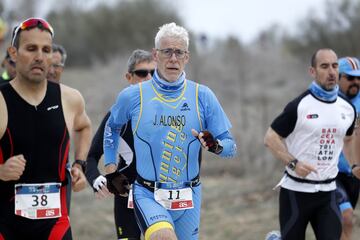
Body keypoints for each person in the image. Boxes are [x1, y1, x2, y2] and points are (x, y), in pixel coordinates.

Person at [104, 22, 237, 240]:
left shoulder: (202, 96)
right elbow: (111, 127)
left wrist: (216, 145)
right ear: (156, 55)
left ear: (187, 57)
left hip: (189, 196)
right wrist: (111, 170)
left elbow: (231, 147)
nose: (173, 58)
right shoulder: (132, 96)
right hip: (147, 194)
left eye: (179, 52)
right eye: (167, 52)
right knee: (164, 237)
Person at [0, 17, 91, 239]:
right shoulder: (1, 101)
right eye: (31, 48)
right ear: (13, 53)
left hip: (55, 225)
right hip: (6, 226)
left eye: (46, 50)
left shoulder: (71, 99)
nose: (39, 57)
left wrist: (80, 164)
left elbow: (84, 126)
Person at [264, 48, 360, 240]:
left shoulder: (347, 109)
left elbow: (348, 138)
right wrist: (293, 163)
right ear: (313, 72)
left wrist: (354, 165)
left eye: (334, 66)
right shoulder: (299, 106)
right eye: (324, 66)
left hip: (328, 192)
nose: (331, 72)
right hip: (296, 193)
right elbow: (270, 138)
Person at [86, 49, 155, 240]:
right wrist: (97, 180)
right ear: (129, 77)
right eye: (142, 73)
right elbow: (91, 157)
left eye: (154, 73)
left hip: (161, 197)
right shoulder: (116, 115)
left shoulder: (170, 113)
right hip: (127, 197)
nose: (149, 78)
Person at [336, 57, 360, 240]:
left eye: (359, 78)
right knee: (346, 216)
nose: (356, 82)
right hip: (331, 173)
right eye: (350, 78)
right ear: (337, 77)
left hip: (355, 174)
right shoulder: (327, 100)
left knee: (344, 223)